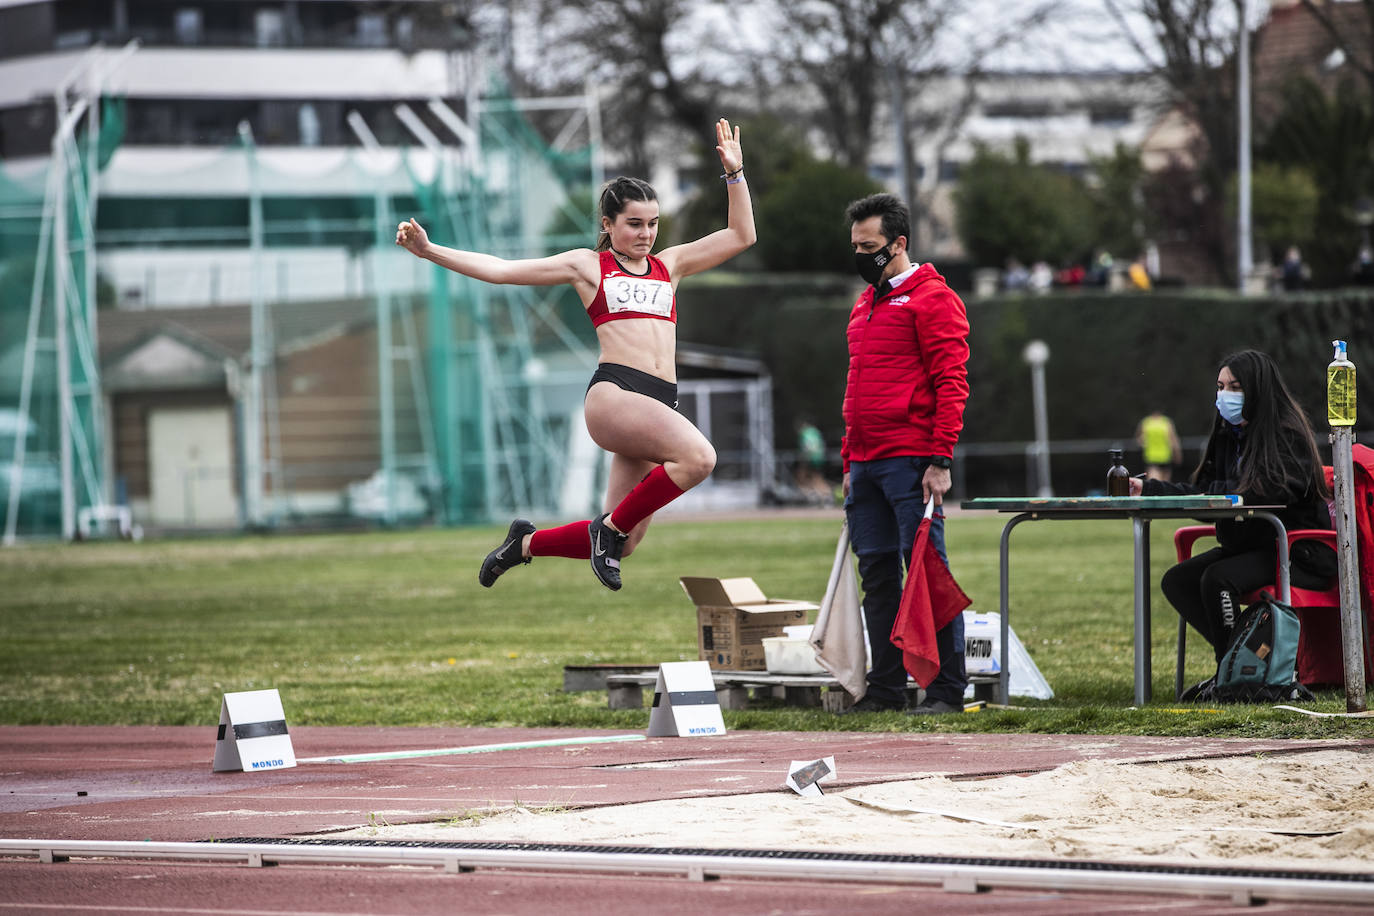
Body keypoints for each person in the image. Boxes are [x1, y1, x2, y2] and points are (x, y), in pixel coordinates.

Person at [395, 118, 755, 591]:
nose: (646, 234)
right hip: (616, 394)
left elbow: (740, 235)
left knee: (625, 542)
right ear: (607, 224)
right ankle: (603, 531)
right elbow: (502, 270)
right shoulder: (588, 265)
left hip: (659, 401)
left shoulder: (671, 265)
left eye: (652, 224)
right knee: (699, 459)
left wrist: (734, 174)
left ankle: (522, 545)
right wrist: (429, 251)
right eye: (633, 224)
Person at [837, 193, 971, 716]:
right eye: (855, 246)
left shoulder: (933, 298)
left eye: (868, 246)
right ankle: (887, 688)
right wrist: (849, 463)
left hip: (911, 460)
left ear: (898, 244)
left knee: (925, 570)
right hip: (867, 464)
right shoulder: (864, 303)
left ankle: (946, 690)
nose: (860, 255)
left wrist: (941, 460)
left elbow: (951, 381)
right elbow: (855, 388)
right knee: (878, 576)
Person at [1128, 350, 1336, 677]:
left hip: (1297, 551)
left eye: (1235, 387)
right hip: (1250, 547)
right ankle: (1241, 664)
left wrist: (1220, 496)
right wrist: (1151, 490)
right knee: (1178, 581)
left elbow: (1261, 493)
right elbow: (1210, 494)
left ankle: (1234, 671)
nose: (1224, 395)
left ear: (1257, 390)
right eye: (1220, 386)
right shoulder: (1227, 435)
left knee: (1218, 578)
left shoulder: (1287, 435)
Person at [1134, 409, 1181, 481]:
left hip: (1152, 457)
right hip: (1165, 457)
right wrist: (1177, 454)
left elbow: (1138, 439)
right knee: (1165, 485)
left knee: (1154, 485)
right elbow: (1174, 440)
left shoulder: (1146, 422)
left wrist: (1143, 443)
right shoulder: (1166, 422)